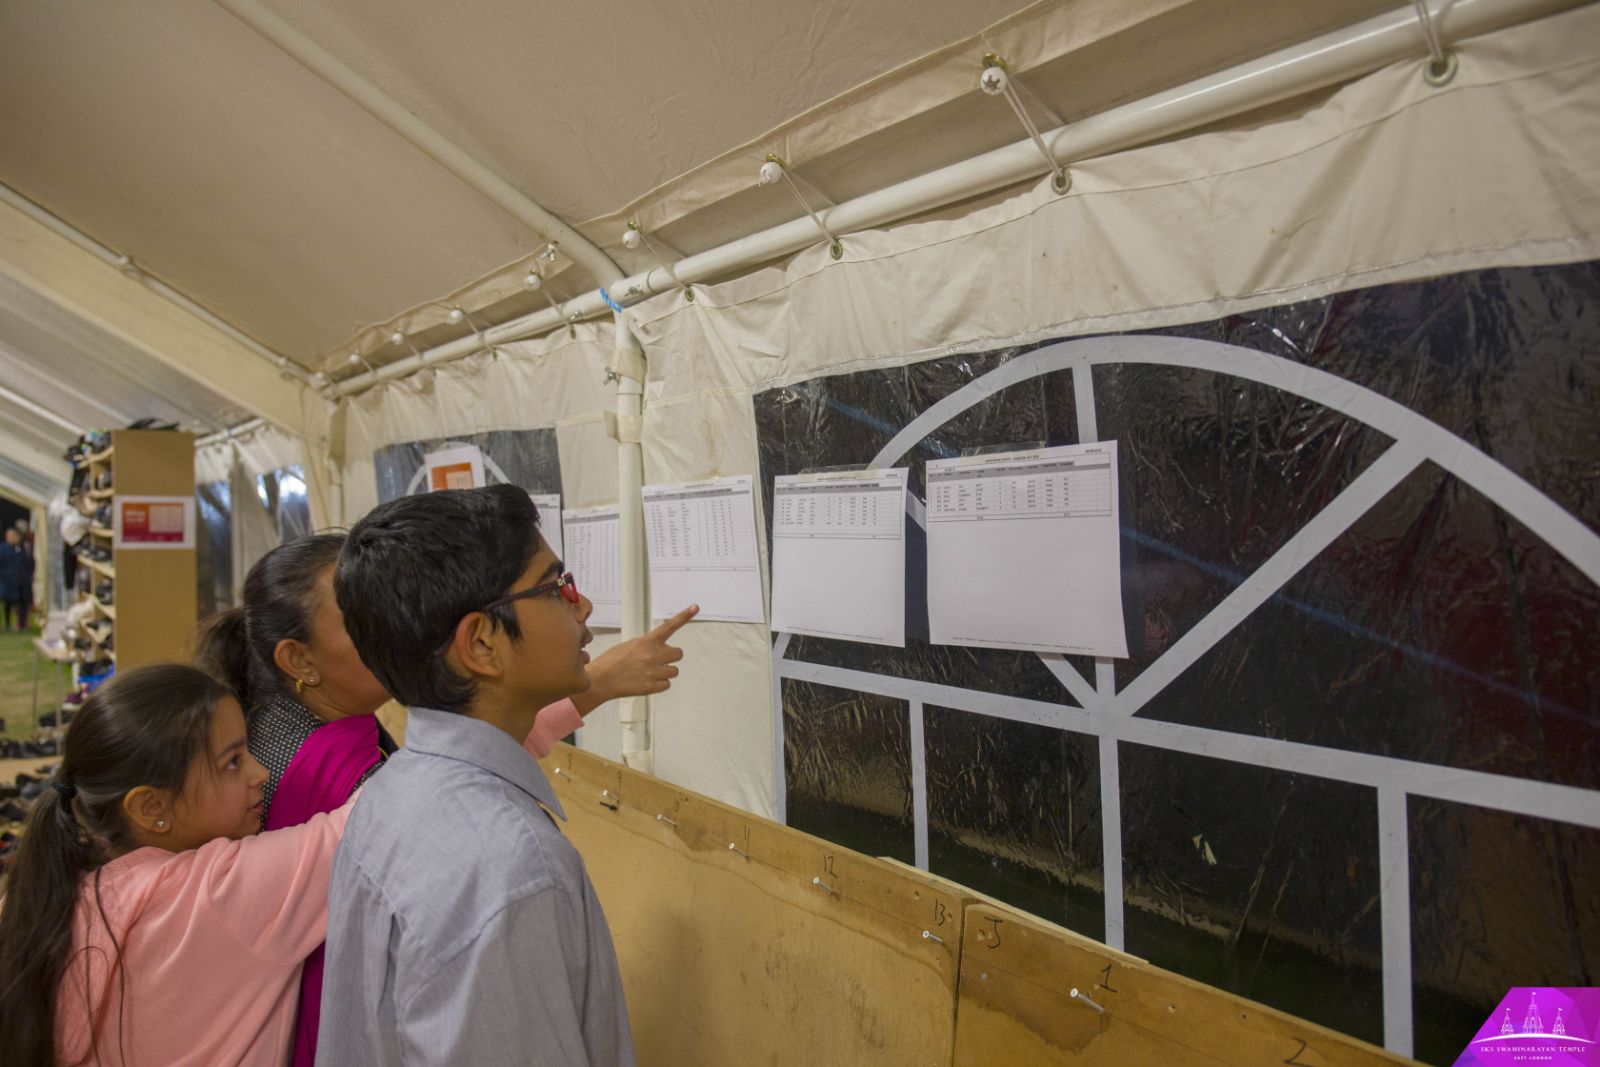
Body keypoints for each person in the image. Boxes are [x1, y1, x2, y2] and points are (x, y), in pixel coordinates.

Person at [195, 531, 693, 1066]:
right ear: (299, 660)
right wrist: (592, 686)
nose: (394, 625)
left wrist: (594, 684)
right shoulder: (339, 774)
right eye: (362, 618)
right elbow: (442, 774)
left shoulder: (306, 727)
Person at [320, 486, 637, 1066]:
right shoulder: (510, 869)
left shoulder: (392, 793)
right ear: (483, 644)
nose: (582, 605)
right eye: (556, 585)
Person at [0, 663, 356, 1066]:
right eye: (233, 762)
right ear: (151, 807)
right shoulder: (218, 891)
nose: (261, 772)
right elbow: (364, 821)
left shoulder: (39, 899)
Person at [0, 526, 31, 632]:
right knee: (7, 604)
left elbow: (25, 563)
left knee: (21, 603)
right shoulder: (3, 549)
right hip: (7, 580)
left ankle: (21, 624)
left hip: (20, 580)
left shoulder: (20, 549)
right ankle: (7, 624)